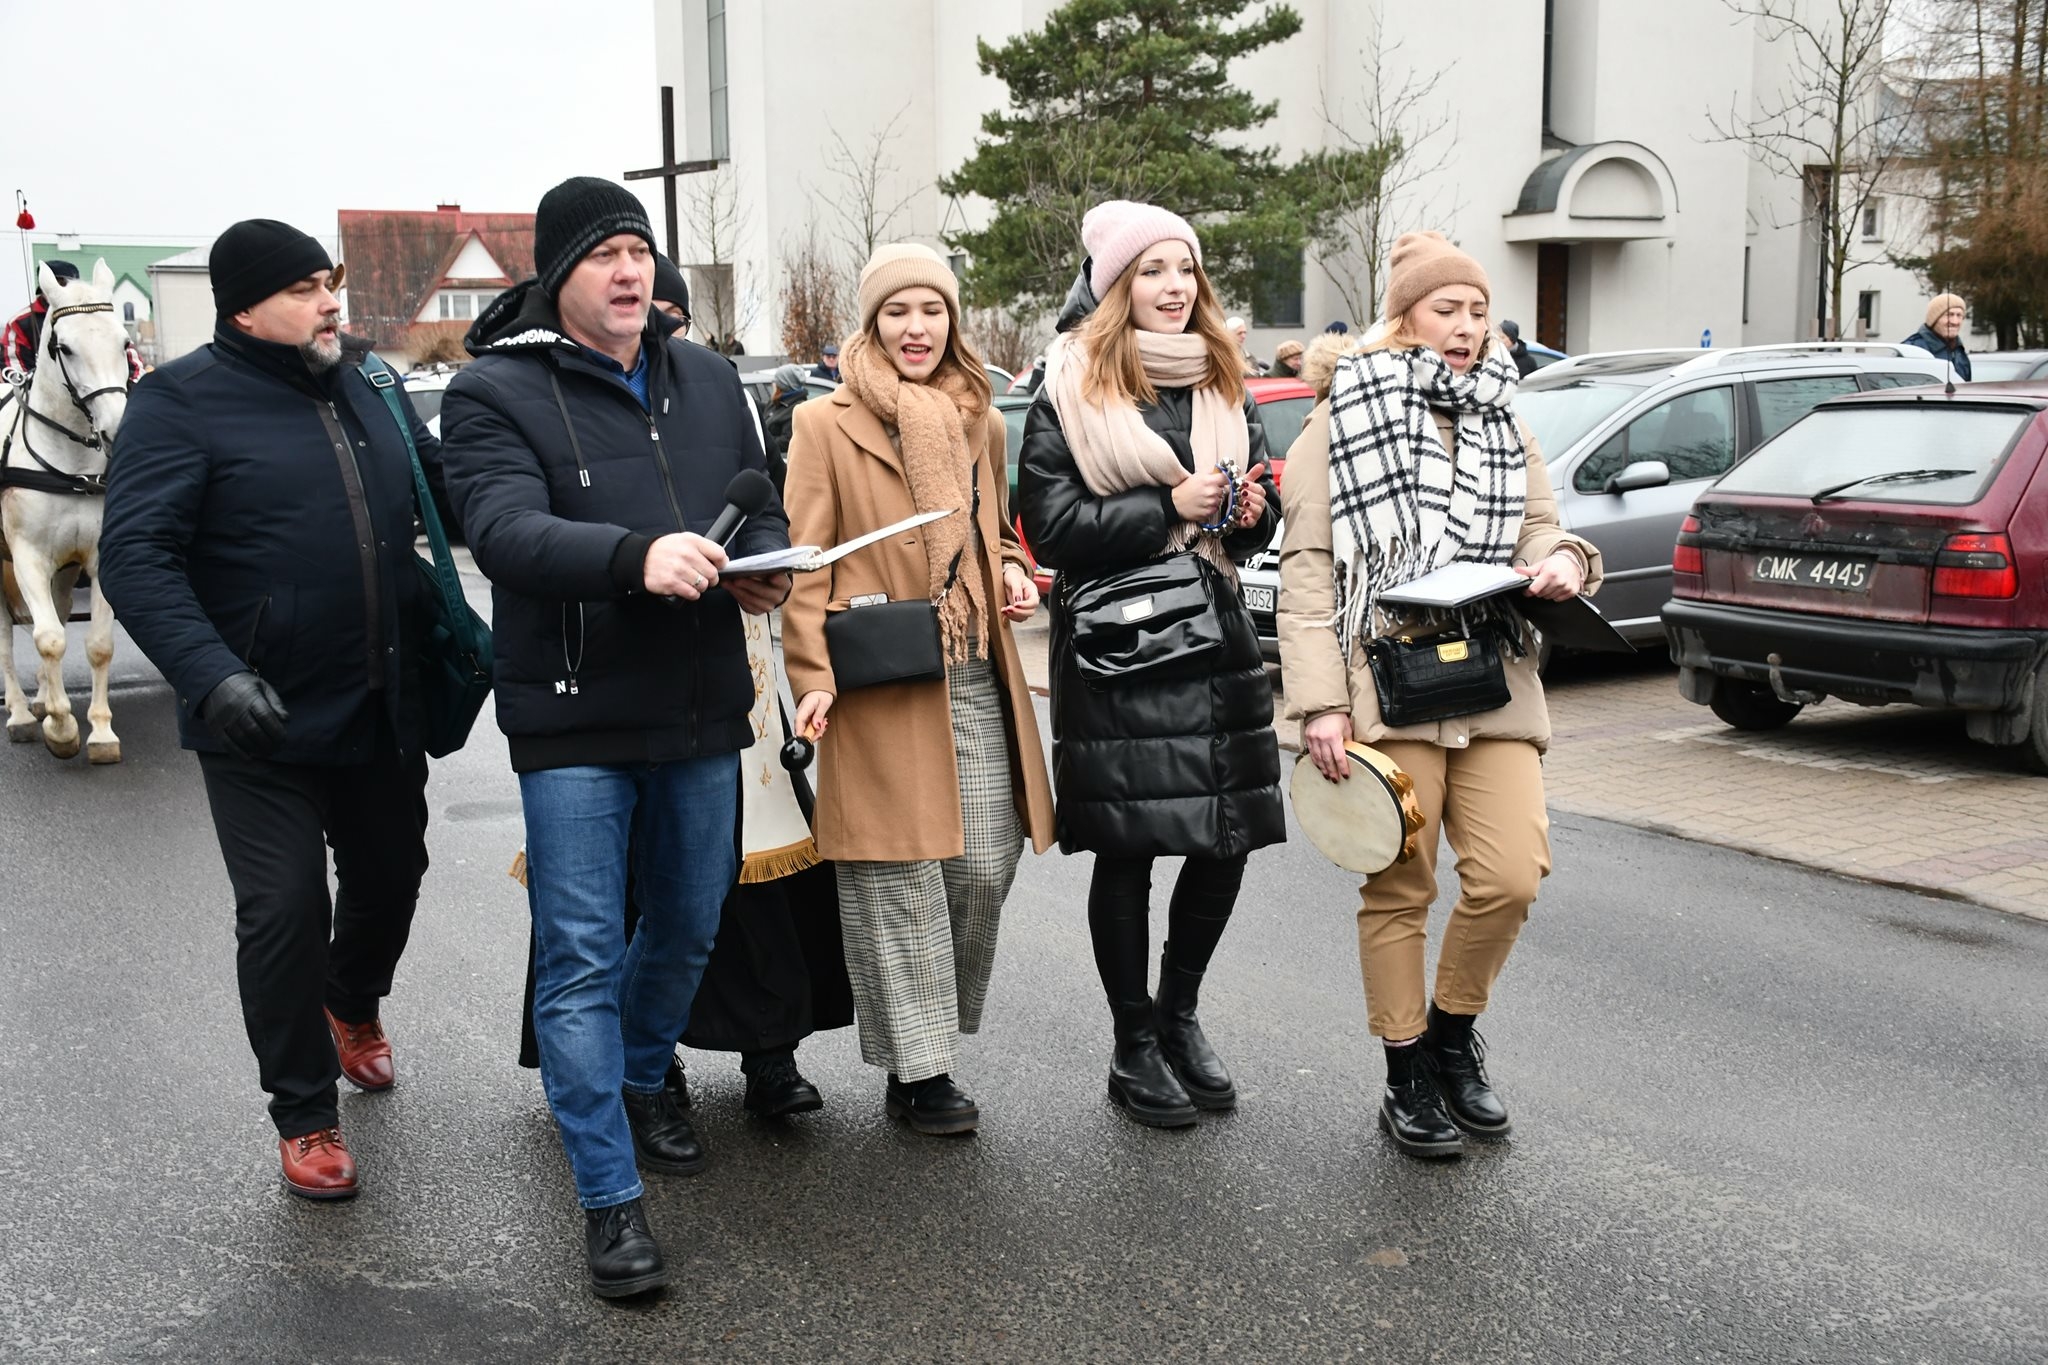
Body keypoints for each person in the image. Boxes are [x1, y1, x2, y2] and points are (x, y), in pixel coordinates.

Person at [438, 176, 791, 1299]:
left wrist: (765, 570)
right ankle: (608, 1198)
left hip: (701, 703)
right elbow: (501, 531)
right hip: (575, 713)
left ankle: (642, 1075)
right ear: (559, 276)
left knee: (689, 924)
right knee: (582, 955)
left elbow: (761, 502)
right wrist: (636, 558)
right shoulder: (492, 390)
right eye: (603, 255)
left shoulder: (709, 377)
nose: (629, 270)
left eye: (639, 251)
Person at [98, 219, 453, 1202]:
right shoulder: (179, 402)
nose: (329, 302)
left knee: (393, 874)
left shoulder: (371, 382)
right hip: (257, 718)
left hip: (381, 698)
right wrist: (211, 675)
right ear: (244, 309)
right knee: (284, 908)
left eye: (327, 283)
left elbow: (449, 497)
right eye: (303, 289)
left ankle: (351, 1000)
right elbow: (135, 556)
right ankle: (304, 1113)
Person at [1275, 231, 1602, 1161]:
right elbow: (1308, 572)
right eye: (1445, 309)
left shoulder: (1505, 416)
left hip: (1490, 676)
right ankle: (1406, 1070)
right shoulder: (1341, 416)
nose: (1465, 326)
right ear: (1404, 317)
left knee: (1511, 875)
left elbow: (1541, 527)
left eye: (1476, 310)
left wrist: (1561, 561)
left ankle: (1454, 1034)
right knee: (1400, 882)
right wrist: (1319, 704)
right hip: (1386, 679)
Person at [1017, 201, 1283, 1130]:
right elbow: (1051, 529)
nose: (1174, 287)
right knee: (1129, 848)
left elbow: (1253, 515)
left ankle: (1180, 1014)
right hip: (1122, 645)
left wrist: (1249, 515)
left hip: (1215, 636)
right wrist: (1170, 503)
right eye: (1152, 271)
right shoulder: (1069, 384)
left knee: (1226, 838)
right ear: (1115, 287)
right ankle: (1132, 1042)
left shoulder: (1223, 377)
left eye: (1185, 269)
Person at [782, 242, 1055, 1136]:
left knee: (984, 860)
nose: (916, 327)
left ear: (951, 319)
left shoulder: (982, 419)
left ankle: (930, 1031)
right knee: (897, 873)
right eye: (897, 311)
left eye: (931, 310)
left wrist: (1008, 568)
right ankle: (920, 1068)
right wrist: (811, 676)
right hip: (877, 673)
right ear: (872, 322)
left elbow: (993, 531)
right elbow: (806, 562)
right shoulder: (824, 423)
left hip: (971, 662)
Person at [5, 257, 145, 384]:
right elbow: (14, 366)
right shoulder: (20, 321)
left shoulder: (98, 317)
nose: (59, 289)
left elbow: (128, 356)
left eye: (64, 284)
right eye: (55, 283)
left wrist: (133, 384)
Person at [760, 362, 808, 493]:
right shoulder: (776, 403)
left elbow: (787, 441)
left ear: (783, 386)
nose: (773, 384)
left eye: (776, 382)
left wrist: (764, 442)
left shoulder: (797, 409)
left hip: (781, 470)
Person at [1902, 293, 1972, 379]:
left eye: (1959, 315)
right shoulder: (1912, 350)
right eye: (1949, 315)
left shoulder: (1959, 352)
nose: (1955, 321)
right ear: (1934, 319)